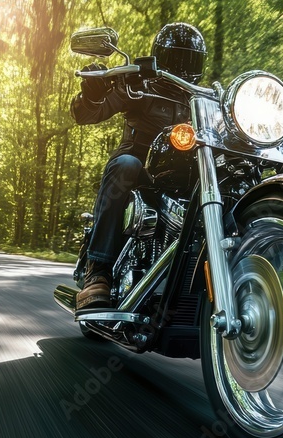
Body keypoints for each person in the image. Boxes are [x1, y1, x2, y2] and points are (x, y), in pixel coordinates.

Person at [72, 22, 207, 309]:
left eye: (189, 59)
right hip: (144, 173)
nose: (182, 67)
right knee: (126, 164)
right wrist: (93, 94)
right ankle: (98, 272)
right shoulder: (138, 85)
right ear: (161, 57)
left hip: (189, 178)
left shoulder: (204, 100)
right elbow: (89, 113)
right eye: (176, 58)